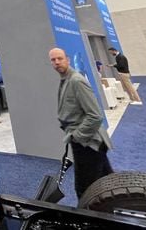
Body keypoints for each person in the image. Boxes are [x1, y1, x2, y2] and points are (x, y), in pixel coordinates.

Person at [49, 47, 113, 199]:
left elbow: (95, 116)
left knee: (85, 189)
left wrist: (77, 136)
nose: (57, 62)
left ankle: (93, 219)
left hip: (89, 142)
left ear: (68, 60)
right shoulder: (65, 80)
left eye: (60, 58)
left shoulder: (76, 81)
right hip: (87, 142)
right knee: (107, 181)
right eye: (53, 60)